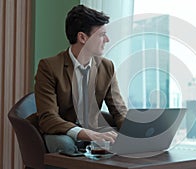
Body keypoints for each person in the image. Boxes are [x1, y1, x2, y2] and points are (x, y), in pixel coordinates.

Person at [28, 5, 127, 153]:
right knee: (64, 144)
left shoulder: (107, 67)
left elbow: (119, 111)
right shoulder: (49, 67)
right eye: (101, 35)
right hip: (61, 131)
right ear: (82, 37)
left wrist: (137, 134)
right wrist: (88, 134)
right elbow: (48, 118)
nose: (107, 39)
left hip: (93, 129)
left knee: (122, 140)